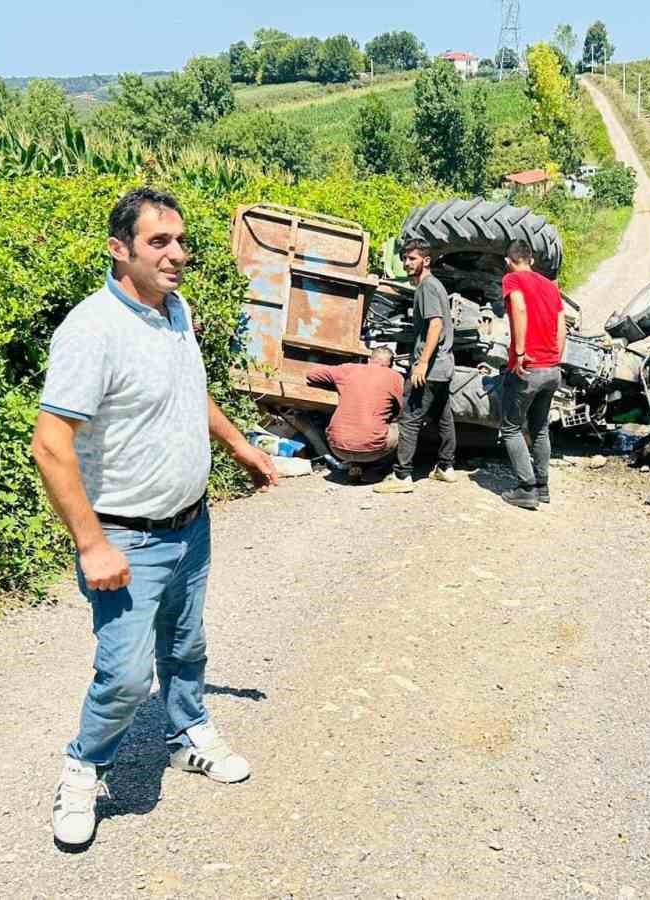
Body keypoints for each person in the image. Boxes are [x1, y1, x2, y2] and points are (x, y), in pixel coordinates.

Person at [31, 187, 279, 850]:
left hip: (189, 525)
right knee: (126, 674)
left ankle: (187, 734)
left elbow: (188, 392)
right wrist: (92, 545)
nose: (177, 254)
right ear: (120, 251)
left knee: (186, 645)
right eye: (158, 243)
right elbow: (49, 445)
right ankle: (83, 768)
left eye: (180, 241)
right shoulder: (92, 331)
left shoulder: (176, 311)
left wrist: (238, 446)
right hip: (125, 538)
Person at [375, 238, 461, 493]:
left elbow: (436, 324)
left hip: (431, 367)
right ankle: (446, 468)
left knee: (410, 417)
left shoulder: (427, 287)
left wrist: (422, 363)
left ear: (426, 260)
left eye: (412, 259)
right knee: (443, 416)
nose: (406, 263)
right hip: (444, 367)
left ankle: (402, 476)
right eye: (404, 258)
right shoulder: (434, 286)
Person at [497, 240, 566, 511]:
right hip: (552, 368)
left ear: (508, 260)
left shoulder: (512, 279)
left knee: (511, 427)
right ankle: (543, 487)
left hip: (528, 367)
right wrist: (556, 358)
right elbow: (562, 325)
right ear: (532, 260)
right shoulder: (550, 286)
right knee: (539, 428)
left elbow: (519, 306)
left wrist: (522, 351)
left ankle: (526, 489)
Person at [306, 346, 405, 481]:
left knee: (350, 425)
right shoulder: (395, 377)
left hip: (338, 449)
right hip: (372, 451)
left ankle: (355, 466)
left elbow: (311, 374)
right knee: (401, 428)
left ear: (369, 360)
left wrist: (338, 384)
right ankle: (375, 470)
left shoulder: (348, 369)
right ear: (391, 364)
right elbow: (401, 411)